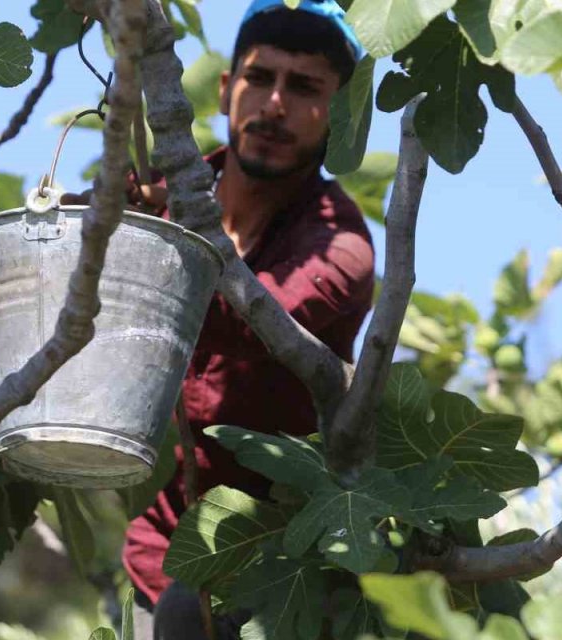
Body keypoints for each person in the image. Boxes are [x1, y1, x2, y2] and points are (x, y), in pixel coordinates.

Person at [112, 2, 375, 638]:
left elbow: (248, 317)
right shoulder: (155, 194)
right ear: (228, 90)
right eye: (260, 79)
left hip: (270, 572)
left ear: (339, 115)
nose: (275, 104)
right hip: (153, 557)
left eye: (305, 87)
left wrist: (158, 240)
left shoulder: (340, 248)